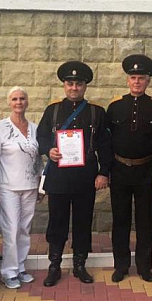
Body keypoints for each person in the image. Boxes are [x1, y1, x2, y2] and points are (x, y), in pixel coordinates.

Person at [36, 61, 112, 287]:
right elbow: (40, 137)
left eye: (78, 84)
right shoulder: (53, 110)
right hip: (59, 177)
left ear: (85, 86)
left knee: (82, 221)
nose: (74, 88)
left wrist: (103, 173)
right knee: (57, 221)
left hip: (85, 176)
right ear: (64, 85)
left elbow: (105, 145)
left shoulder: (97, 112)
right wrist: (48, 150)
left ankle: (80, 263)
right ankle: (55, 264)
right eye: (70, 83)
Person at [107, 55, 152, 283]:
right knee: (120, 220)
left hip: (146, 171)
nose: (137, 82)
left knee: (145, 222)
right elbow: (107, 142)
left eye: (141, 78)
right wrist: (108, 170)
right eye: (133, 77)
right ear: (127, 80)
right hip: (120, 170)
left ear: (148, 81)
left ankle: (144, 266)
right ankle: (121, 266)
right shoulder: (114, 107)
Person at [0, 87, 43, 289]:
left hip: (30, 185)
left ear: (27, 102)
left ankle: (20, 267)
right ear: (9, 102)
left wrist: (40, 185)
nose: (19, 102)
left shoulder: (34, 127)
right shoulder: (0, 127)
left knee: (24, 228)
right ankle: (9, 272)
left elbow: (38, 159)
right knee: (10, 229)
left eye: (22, 98)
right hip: (7, 186)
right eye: (14, 99)